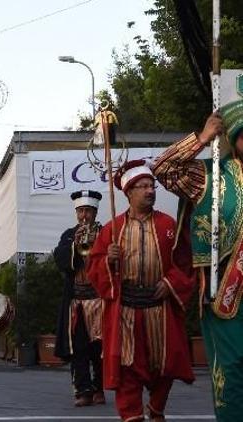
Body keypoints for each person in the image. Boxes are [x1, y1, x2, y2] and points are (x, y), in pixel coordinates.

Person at [151, 104, 243, 421]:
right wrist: (202, 138)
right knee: (231, 372)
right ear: (234, 137)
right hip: (229, 294)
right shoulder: (209, 176)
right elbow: (163, 169)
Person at [87, 160, 194, 422]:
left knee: (164, 367)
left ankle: (156, 410)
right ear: (129, 192)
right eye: (143, 186)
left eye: (152, 186)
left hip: (160, 310)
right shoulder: (112, 229)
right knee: (127, 369)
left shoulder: (169, 225)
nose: (150, 191)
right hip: (126, 311)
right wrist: (106, 261)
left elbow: (187, 263)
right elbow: (93, 270)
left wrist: (170, 283)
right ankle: (132, 416)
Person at [53, 190, 105, 407]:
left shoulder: (106, 232)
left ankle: (99, 387)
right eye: (81, 211)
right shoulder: (68, 235)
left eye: (88, 211)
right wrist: (76, 245)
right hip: (77, 303)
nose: (84, 215)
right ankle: (83, 390)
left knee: (100, 349)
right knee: (79, 349)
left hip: (100, 301)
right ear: (76, 213)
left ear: (95, 212)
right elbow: (61, 259)